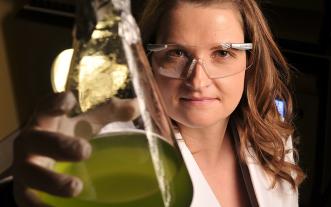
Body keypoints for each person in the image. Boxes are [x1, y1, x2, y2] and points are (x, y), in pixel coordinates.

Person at [0, 0, 305, 206]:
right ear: (147, 60)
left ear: (251, 58)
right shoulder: (112, 151)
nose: (198, 80)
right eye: (176, 53)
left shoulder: (273, 133)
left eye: (223, 53)